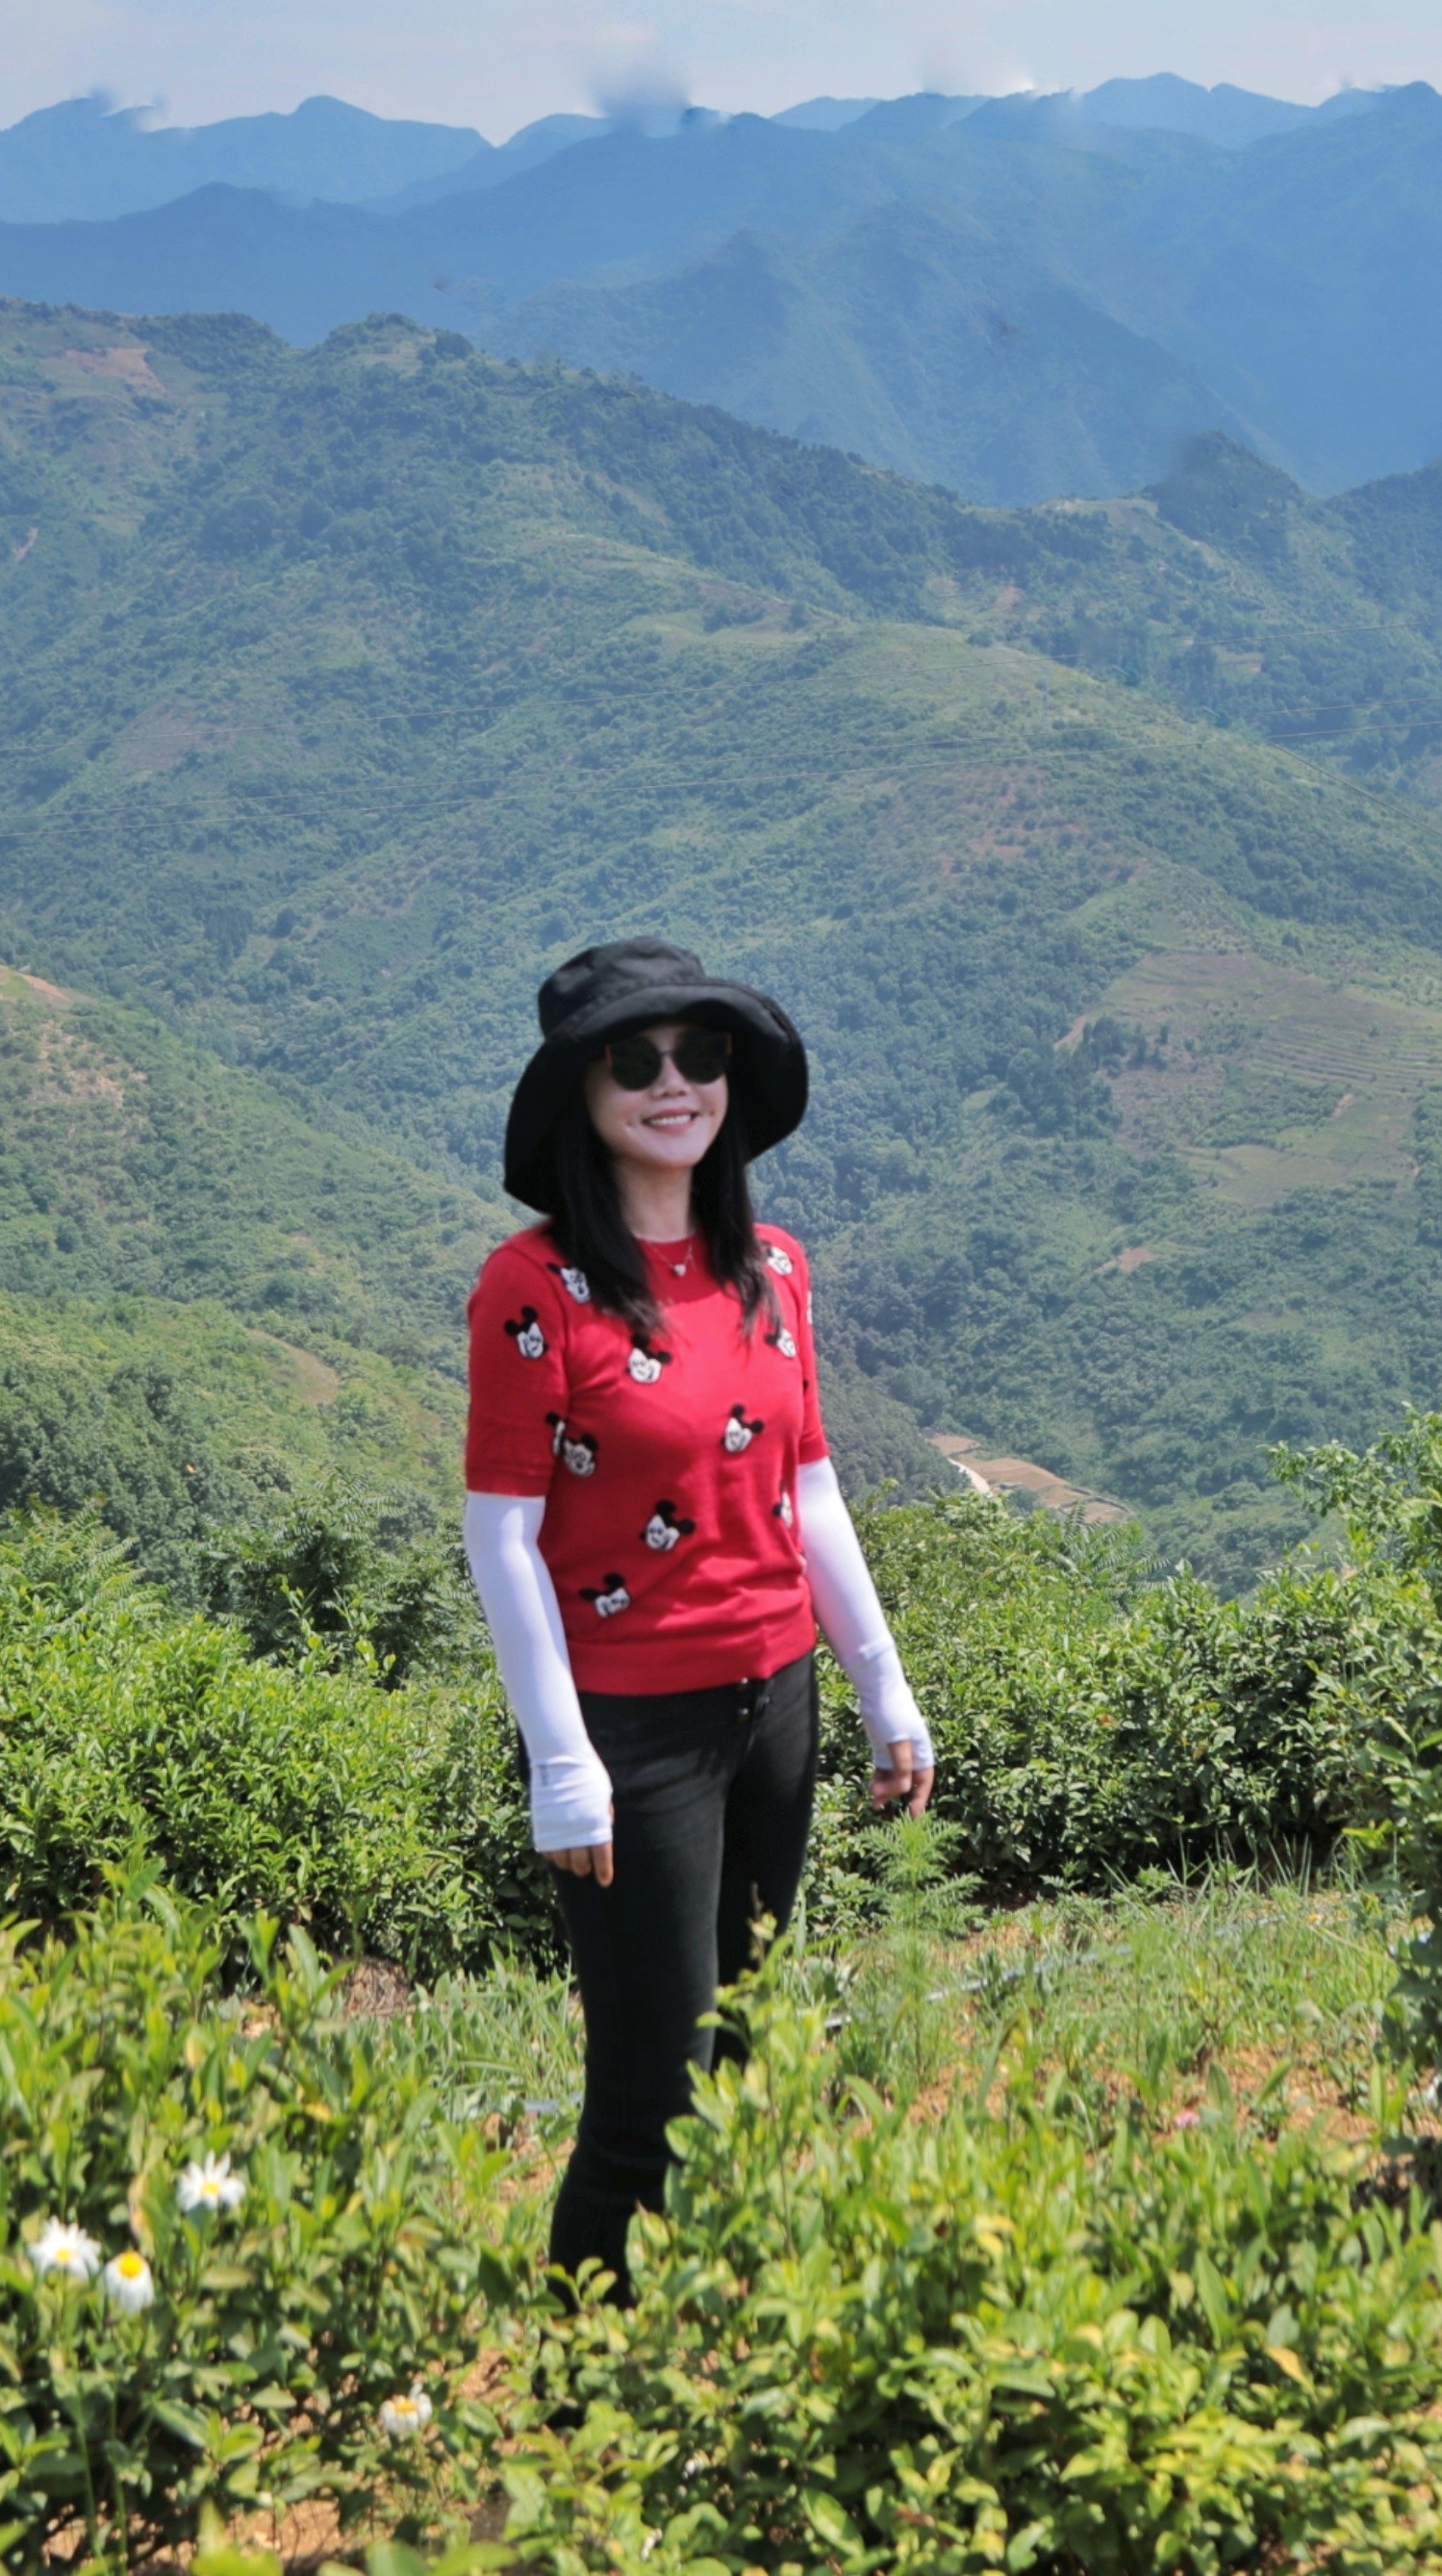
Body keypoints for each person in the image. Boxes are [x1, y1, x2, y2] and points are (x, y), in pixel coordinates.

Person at [459, 936, 937, 2286]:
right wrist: (563, 1760)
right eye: (635, 1058)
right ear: (582, 1091)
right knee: (646, 2093)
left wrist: (881, 1688)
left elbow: (812, 1485)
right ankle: (575, 2403)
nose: (675, 1083)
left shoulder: (772, 1267)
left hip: (773, 1703)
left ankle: (710, 2331)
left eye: (702, 1053)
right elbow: (499, 1528)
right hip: (632, 1731)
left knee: (746, 2049)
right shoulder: (536, 1290)